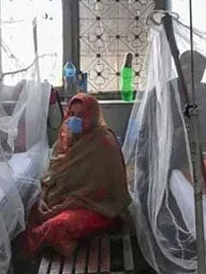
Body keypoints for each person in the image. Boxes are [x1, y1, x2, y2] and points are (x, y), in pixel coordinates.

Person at [22, 93, 131, 257]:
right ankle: (65, 242)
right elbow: (52, 174)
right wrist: (43, 199)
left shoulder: (104, 142)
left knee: (57, 225)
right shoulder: (66, 138)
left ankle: (64, 243)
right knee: (32, 212)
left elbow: (105, 192)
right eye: (72, 114)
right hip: (62, 199)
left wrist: (67, 205)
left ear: (93, 116)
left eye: (81, 115)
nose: (75, 120)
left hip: (96, 207)